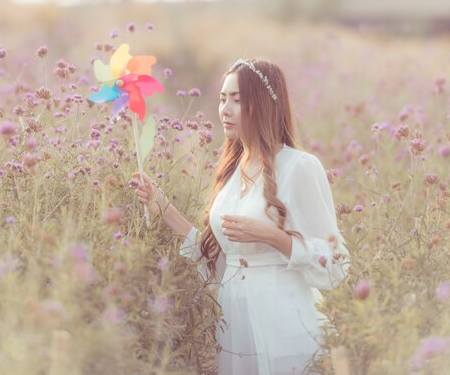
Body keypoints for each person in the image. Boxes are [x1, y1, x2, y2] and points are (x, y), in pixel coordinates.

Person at [131, 58, 350, 375]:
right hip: (234, 323)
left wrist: (271, 236)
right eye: (222, 99)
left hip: (284, 321)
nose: (225, 109)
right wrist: (163, 208)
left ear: (261, 104)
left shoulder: (299, 166)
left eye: (237, 99)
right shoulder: (232, 170)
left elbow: (336, 263)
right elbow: (220, 264)